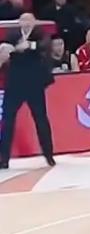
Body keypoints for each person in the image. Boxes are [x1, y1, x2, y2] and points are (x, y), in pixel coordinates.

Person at [0, 13, 55, 169]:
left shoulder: (40, 34)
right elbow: (6, 48)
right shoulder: (12, 35)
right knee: (7, 119)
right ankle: (3, 158)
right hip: (15, 84)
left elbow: (45, 46)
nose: (26, 23)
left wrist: (30, 45)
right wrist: (7, 49)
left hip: (34, 84)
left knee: (41, 119)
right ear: (19, 22)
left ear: (34, 22)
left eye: (29, 20)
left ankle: (49, 154)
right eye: (23, 20)